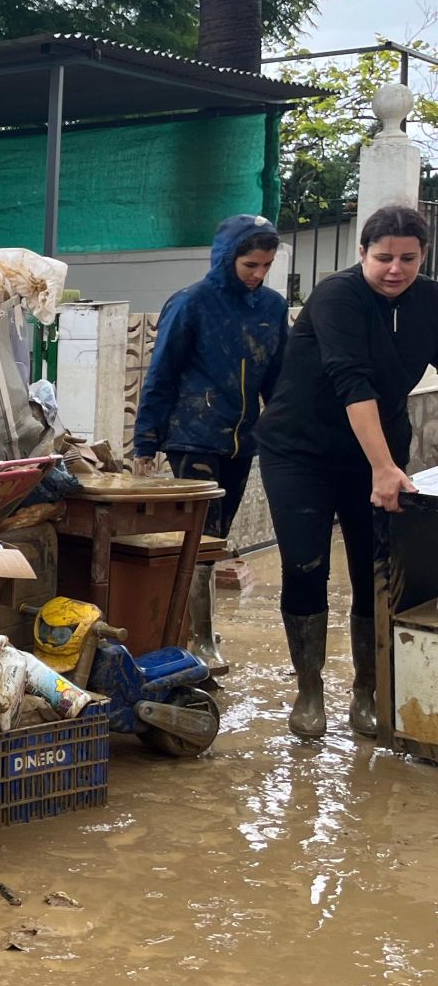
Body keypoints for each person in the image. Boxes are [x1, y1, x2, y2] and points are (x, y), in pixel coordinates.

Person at [255, 204, 437, 739]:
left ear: (422, 256)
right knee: (306, 564)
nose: (395, 269)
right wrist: (384, 469)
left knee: (375, 571)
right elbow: (351, 381)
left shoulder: (429, 300)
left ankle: (367, 689)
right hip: (301, 452)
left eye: (408, 258)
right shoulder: (337, 295)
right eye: (383, 257)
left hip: (379, 450)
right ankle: (309, 688)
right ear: (362, 254)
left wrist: (385, 463)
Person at [132, 214, 288, 671]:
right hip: (192, 437)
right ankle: (199, 641)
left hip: (242, 443)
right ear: (226, 258)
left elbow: (278, 380)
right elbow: (160, 375)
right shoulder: (191, 304)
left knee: (217, 538)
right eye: (250, 265)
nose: (259, 275)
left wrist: (282, 432)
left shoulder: (273, 308)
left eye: (266, 266)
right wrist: (145, 442)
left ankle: (197, 629)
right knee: (198, 539)